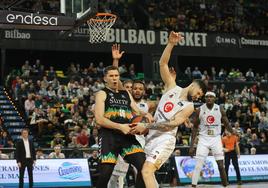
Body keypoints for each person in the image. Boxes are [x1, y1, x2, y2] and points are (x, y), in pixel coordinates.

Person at [130, 31, 207, 188]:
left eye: (200, 96)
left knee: (146, 171)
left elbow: (171, 124)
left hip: (165, 140)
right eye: (199, 93)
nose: (198, 97)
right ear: (194, 84)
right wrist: (171, 44)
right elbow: (162, 64)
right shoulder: (172, 86)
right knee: (141, 177)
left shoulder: (190, 106)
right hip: (150, 137)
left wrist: (145, 125)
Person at [94, 65, 154, 188]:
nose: (114, 78)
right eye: (111, 76)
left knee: (144, 167)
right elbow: (99, 119)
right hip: (108, 136)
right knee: (105, 173)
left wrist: (146, 114)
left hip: (127, 136)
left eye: (116, 75)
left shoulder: (126, 93)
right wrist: (120, 126)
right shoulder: (102, 93)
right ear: (105, 78)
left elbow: (137, 112)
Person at [189, 91, 233, 187]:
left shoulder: (219, 109)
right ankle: (193, 185)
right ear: (205, 98)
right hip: (203, 139)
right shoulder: (199, 110)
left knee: (221, 166)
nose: (209, 98)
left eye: (211, 97)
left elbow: (226, 123)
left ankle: (225, 185)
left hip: (216, 138)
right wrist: (192, 146)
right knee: (198, 165)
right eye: (207, 97)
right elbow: (195, 128)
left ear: (214, 99)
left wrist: (233, 132)